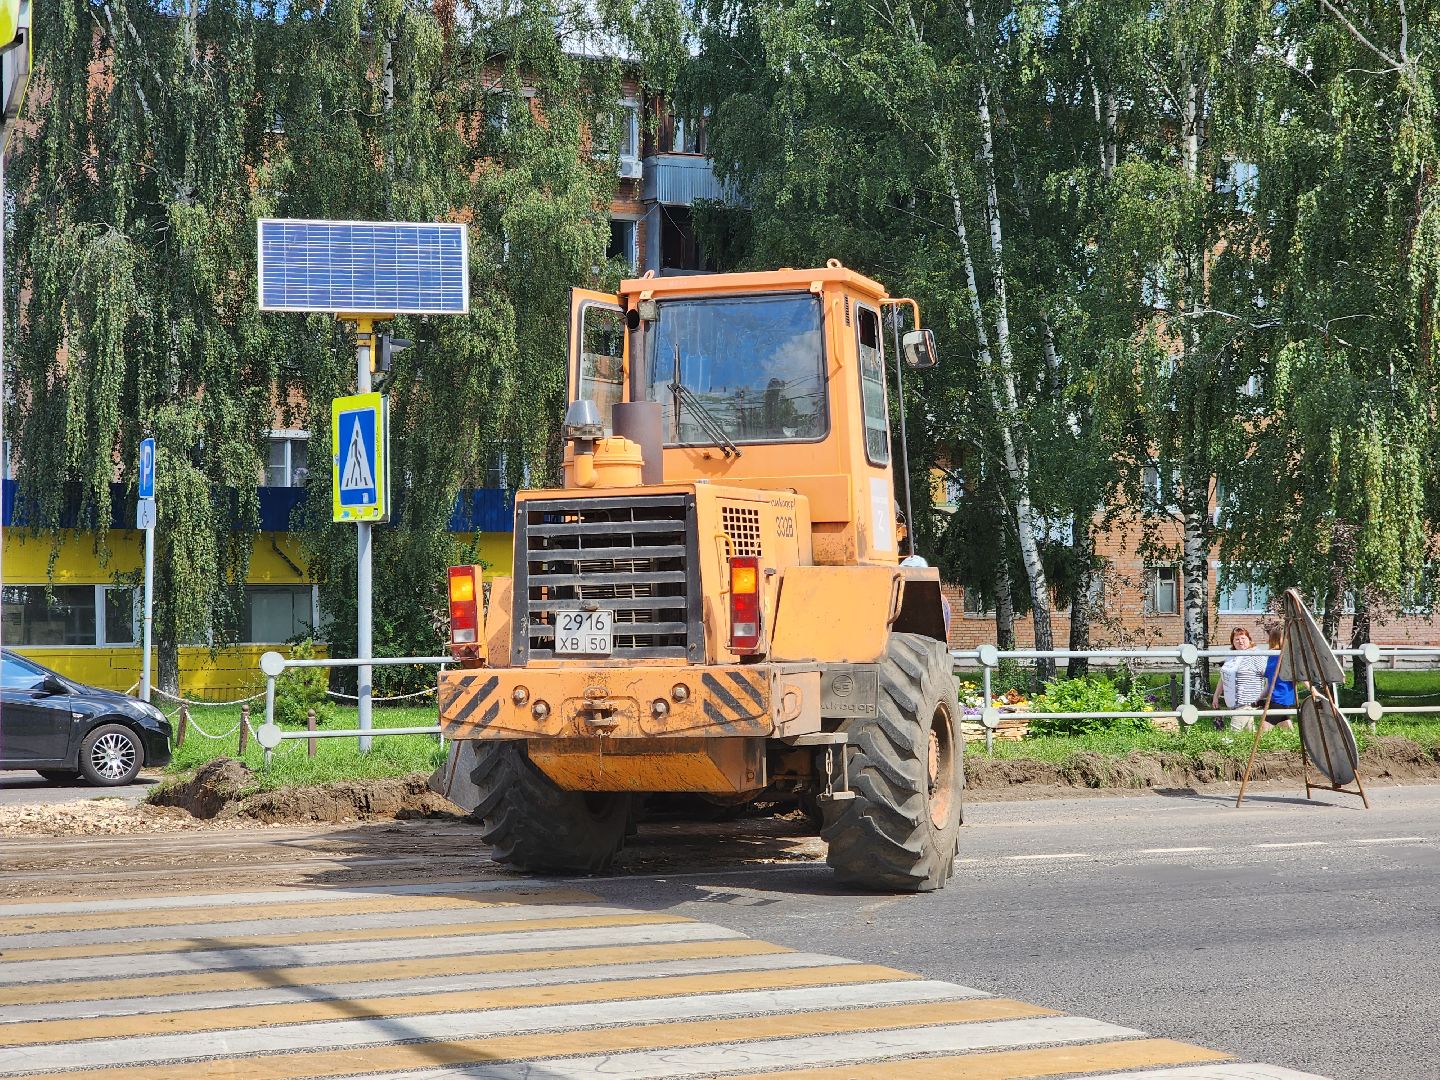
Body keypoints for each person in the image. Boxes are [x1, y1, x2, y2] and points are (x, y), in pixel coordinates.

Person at [1212, 626, 1268, 729]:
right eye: (1237, 639)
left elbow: (1268, 675)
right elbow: (1224, 677)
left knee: (1235, 733)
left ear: (1249, 639)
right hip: (1233, 703)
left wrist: (1264, 696)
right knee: (1248, 736)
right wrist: (1216, 696)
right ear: (1232, 642)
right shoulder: (1231, 656)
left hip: (1247, 703)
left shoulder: (1256, 654)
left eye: (1243, 638)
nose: (1240, 641)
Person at [1261, 626, 1296, 731]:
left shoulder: (1284, 656)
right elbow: (1270, 683)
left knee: (1263, 729)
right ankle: (1297, 744)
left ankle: (1259, 746)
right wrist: (1259, 697)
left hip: (1280, 697)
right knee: (1287, 728)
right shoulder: (1271, 655)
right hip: (1275, 697)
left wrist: (1312, 689)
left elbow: (1298, 675)